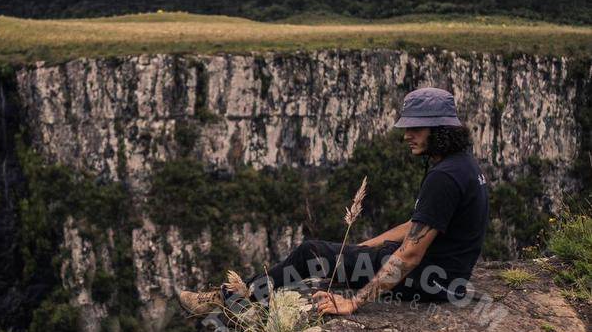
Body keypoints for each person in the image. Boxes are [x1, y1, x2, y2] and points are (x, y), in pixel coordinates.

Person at [178, 87, 489, 318]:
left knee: (309, 252)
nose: (407, 135)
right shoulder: (461, 164)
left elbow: (410, 254)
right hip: (447, 278)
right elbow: (416, 227)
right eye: (406, 127)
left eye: (416, 128)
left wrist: (353, 303)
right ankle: (240, 299)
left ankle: (231, 302)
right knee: (336, 261)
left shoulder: (444, 177)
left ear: (440, 130)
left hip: (431, 282)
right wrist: (362, 249)